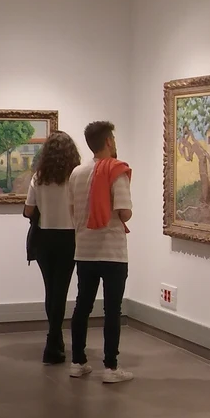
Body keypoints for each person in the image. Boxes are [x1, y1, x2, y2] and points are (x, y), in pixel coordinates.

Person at [69, 120, 133, 384]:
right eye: (113, 139)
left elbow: (72, 211)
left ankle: (77, 362)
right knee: (112, 309)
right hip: (112, 251)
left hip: (85, 250)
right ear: (108, 141)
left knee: (82, 305)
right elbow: (125, 212)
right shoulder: (117, 170)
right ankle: (110, 367)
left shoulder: (76, 173)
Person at [24, 132, 82, 365]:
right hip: (69, 238)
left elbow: (28, 211)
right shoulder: (75, 178)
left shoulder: (39, 177)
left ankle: (54, 341)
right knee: (61, 290)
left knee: (51, 289)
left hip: (44, 238)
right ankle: (53, 341)